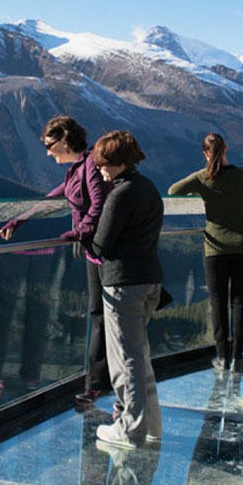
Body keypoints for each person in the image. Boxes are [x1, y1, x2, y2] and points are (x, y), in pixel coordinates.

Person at [0, 115, 112, 403]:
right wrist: (21, 220)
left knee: (103, 320)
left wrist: (76, 233)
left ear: (64, 141)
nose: (47, 152)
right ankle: (99, 383)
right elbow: (57, 196)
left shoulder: (91, 168)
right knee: (99, 318)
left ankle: (99, 385)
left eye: (49, 144)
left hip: (105, 254)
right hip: (94, 254)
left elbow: (98, 206)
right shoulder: (79, 168)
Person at [90, 130, 163, 449]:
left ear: (118, 162)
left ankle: (130, 428)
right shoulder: (148, 188)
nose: (101, 169)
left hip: (123, 284)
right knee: (140, 355)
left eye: (104, 163)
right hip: (150, 279)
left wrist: (82, 238)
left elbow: (100, 244)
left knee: (125, 360)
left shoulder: (119, 195)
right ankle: (152, 425)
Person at [167, 133, 243, 372]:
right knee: (240, 302)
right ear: (226, 148)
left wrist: (201, 180)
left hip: (216, 247)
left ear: (205, 153)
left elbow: (173, 189)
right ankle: (238, 357)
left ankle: (222, 356)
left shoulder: (203, 177)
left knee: (217, 301)